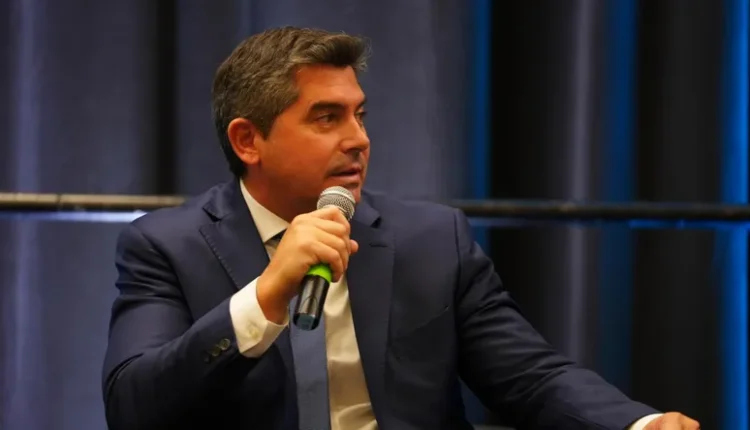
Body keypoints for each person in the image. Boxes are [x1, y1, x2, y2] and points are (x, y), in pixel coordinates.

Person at [102, 26, 700, 430]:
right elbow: (133, 405)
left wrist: (636, 424)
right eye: (326, 118)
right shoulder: (167, 246)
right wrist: (262, 298)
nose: (358, 139)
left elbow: (530, 377)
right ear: (247, 141)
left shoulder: (433, 240)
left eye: (359, 115)